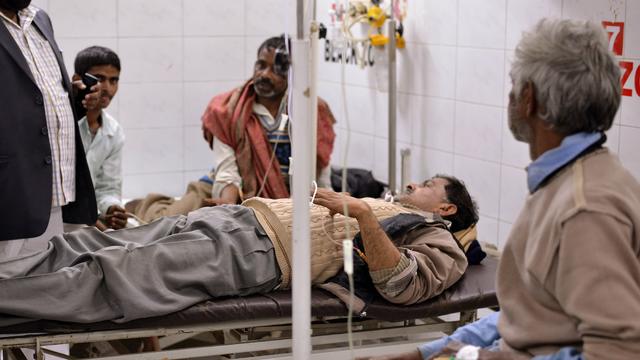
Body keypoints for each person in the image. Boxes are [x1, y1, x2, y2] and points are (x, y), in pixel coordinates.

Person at [361, 18, 640, 360]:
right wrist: (426, 353)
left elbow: (616, 352)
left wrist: (478, 358)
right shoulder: (565, 180)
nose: (509, 95)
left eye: (513, 84)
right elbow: (528, 315)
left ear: (529, 98)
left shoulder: (586, 208)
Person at [0, 175, 477, 325]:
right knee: (96, 241)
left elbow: (403, 287)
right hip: (238, 219)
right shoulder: (391, 204)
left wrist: (365, 216)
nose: (414, 183)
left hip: (259, 256)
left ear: (448, 209)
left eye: (429, 184)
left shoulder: (439, 241)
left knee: (117, 272)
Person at [0, 1, 97, 255]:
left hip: (54, 193)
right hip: (11, 193)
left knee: (46, 286)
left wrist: (75, 101)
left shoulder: (40, 20)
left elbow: (38, 95)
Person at [200, 34, 336, 204]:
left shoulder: (312, 110)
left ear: (293, 74)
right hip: (237, 195)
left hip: (293, 203)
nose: (264, 74)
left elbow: (320, 171)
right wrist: (227, 204)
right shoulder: (227, 110)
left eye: (275, 69)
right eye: (261, 65)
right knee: (174, 217)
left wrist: (328, 201)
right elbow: (227, 172)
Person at [71, 46, 127, 231]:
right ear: (78, 80)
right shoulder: (64, 125)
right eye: (100, 79)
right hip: (56, 222)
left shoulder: (114, 131)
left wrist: (112, 209)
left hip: (88, 221)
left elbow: (108, 188)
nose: (107, 88)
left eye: (114, 80)